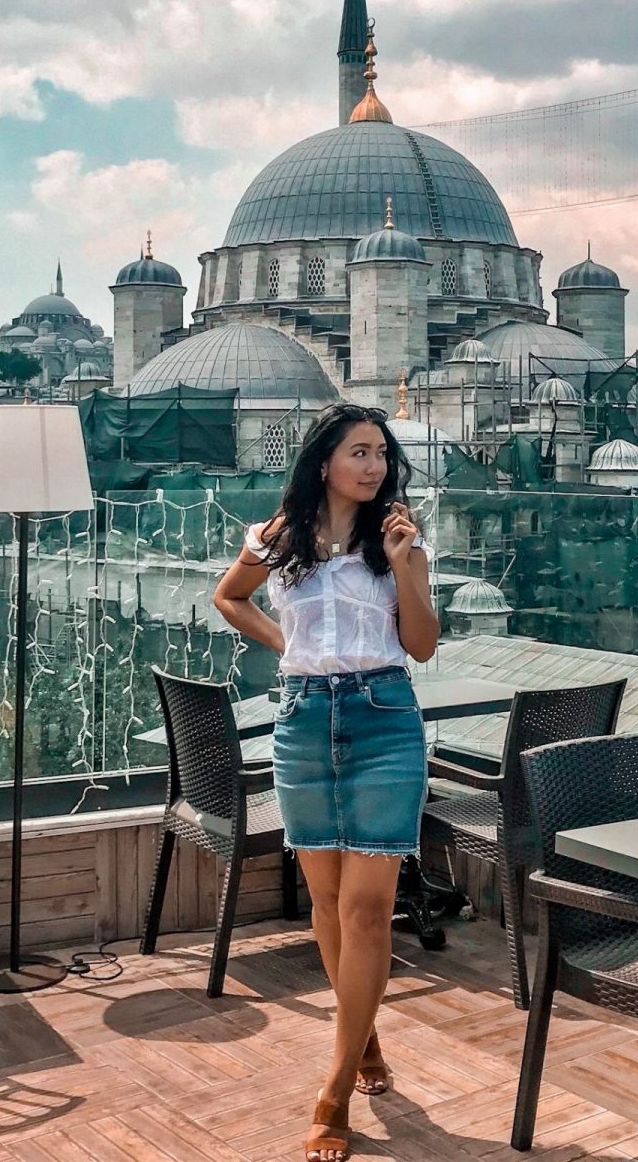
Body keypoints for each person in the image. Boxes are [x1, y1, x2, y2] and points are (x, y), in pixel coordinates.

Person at [214, 402, 439, 1162]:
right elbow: (227, 597)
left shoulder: (399, 541)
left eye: (382, 453)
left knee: (369, 909)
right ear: (324, 461)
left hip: (385, 719)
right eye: (360, 452)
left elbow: (422, 644)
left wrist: (408, 564)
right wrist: (290, 646)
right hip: (305, 720)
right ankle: (364, 1041)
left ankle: (333, 1093)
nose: (375, 466)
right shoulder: (278, 539)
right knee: (328, 903)